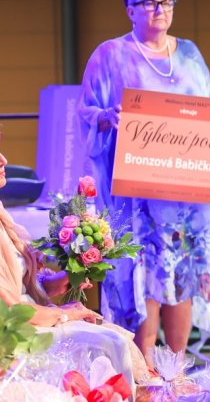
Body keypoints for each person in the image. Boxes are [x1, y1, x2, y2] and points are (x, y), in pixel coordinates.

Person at [79, 0, 210, 362]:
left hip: (187, 191)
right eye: (149, 3)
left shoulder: (189, 53)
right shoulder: (111, 54)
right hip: (137, 194)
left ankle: (176, 368)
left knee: (183, 276)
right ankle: (143, 370)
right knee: (146, 277)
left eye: (166, 2)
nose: (159, 10)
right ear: (130, 10)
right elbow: (86, 111)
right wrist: (108, 116)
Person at [0, 147, 148, 388]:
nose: (4, 159)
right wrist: (64, 314)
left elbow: (19, 287)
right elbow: (10, 310)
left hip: (31, 321)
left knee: (112, 337)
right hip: (12, 337)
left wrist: (61, 280)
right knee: (108, 342)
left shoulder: (3, 217)